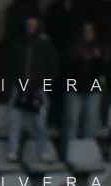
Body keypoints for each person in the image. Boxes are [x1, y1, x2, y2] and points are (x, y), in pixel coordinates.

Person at [6, 14, 58, 163]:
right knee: (14, 121)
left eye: (33, 24)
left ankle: (43, 152)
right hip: (19, 87)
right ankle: (12, 152)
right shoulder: (19, 43)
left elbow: (53, 67)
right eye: (28, 24)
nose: (31, 26)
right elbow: (10, 65)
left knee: (40, 123)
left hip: (38, 89)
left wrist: (42, 81)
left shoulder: (45, 44)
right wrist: (16, 80)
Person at [60, 21, 104, 149]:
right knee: (71, 122)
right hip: (74, 89)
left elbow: (102, 70)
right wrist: (80, 59)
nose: (88, 34)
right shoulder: (72, 49)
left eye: (90, 32)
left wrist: (97, 58)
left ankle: (87, 151)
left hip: (92, 89)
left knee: (90, 123)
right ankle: (69, 151)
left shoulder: (98, 49)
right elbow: (66, 69)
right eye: (86, 31)